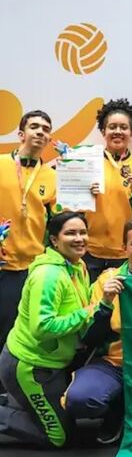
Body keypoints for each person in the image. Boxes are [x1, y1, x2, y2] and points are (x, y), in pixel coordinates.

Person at [0, 213, 118, 447]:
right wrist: (88, 313)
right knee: (57, 438)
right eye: (70, 233)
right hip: (31, 364)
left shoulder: (78, 265)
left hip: (53, 363)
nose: (79, 238)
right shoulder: (49, 275)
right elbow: (43, 327)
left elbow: (83, 301)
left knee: (69, 423)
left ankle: (15, 401)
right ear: (54, 240)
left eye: (82, 232)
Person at [64, 216, 132, 445]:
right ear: (124, 248)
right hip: (116, 363)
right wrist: (106, 304)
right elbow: (89, 337)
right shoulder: (107, 281)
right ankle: (118, 408)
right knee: (81, 399)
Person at [0, 111, 57, 360]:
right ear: (21, 134)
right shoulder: (1, 163)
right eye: (35, 127)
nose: (40, 132)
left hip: (32, 266)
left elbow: (59, 220)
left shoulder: (52, 176)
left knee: (17, 329)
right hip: (3, 263)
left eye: (45, 129)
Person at [83, 98, 132, 280]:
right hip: (89, 251)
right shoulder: (87, 162)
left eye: (124, 127)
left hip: (127, 253)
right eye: (112, 127)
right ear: (103, 131)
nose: (118, 131)